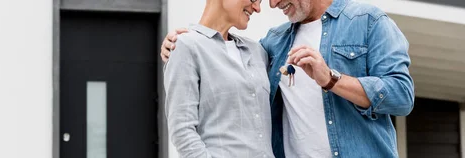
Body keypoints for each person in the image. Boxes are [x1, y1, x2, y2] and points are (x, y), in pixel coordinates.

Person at [161, 0, 415, 157]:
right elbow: (223, 62)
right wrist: (179, 42)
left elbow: (402, 96)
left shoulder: (368, 22)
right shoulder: (272, 43)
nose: (271, 5)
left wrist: (330, 79)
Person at [163, 0, 276, 157]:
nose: (257, 8)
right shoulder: (187, 46)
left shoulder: (257, 51)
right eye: (253, 0)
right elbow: (182, 130)